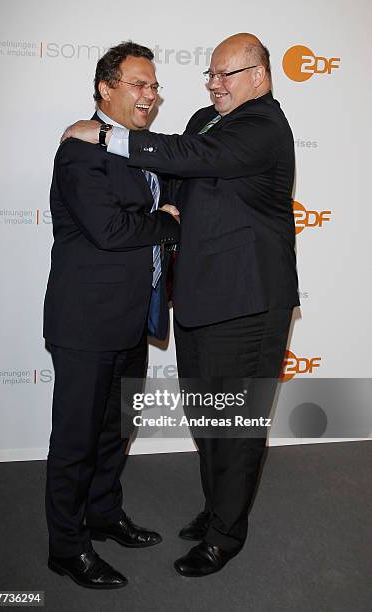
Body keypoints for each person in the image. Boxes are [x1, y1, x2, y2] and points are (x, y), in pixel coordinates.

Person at [64, 32, 299, 577]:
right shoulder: (203, 117)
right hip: (200, 297)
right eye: (210, 74)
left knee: (235, 423)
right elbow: (180, 175)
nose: (214, 83)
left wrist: (107, 136)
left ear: (259, 77)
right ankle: (220, 508)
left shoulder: (264, 125)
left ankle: (226, 535)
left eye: (226, 74)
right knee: (207, 414)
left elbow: (192, 156)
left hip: (248, 300)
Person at [43, 41, 180, 589]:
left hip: (131, 321)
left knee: (114, 431)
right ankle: (66, 546)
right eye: (139, 84)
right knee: (76, 439)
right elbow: (110, 230)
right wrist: (165, 221)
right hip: (85, 322)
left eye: (154, 85)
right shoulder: (80, 151)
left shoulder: (139, 147)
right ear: (106, 88)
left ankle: (103, 514)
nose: (150, 94)